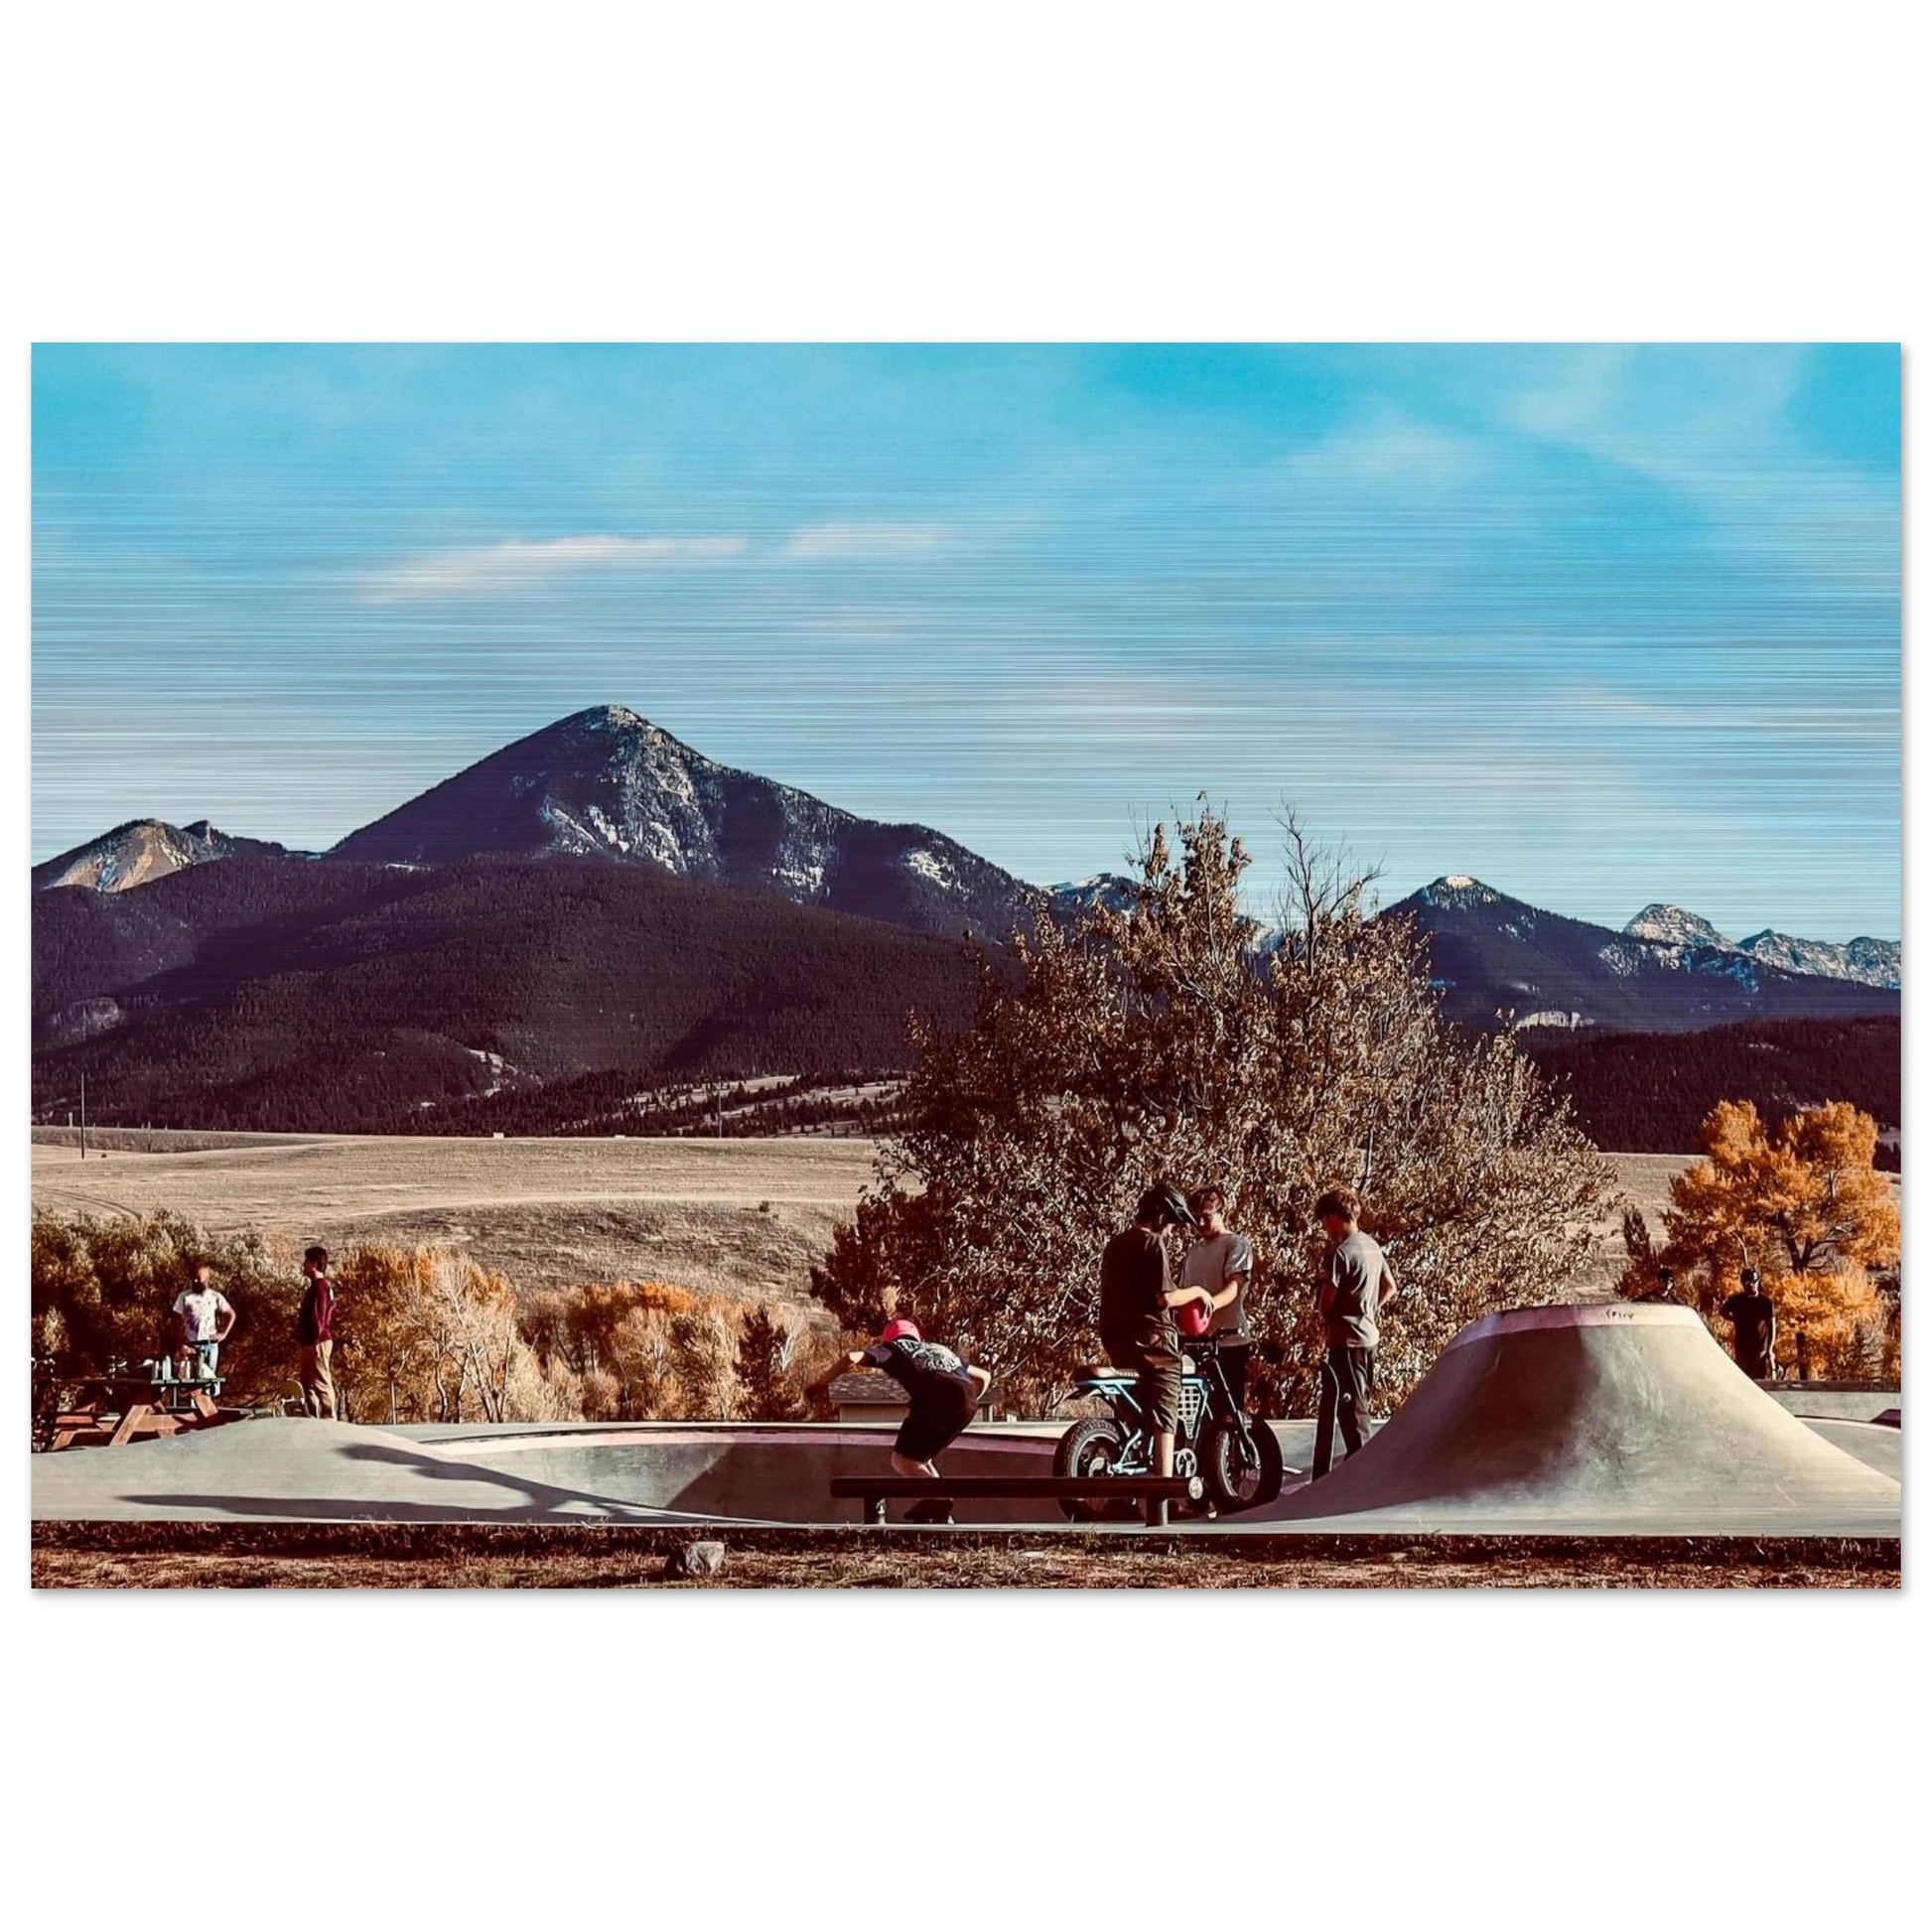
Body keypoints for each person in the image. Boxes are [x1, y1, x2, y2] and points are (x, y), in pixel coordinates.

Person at [1098, 1182, 1215, 1480]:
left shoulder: (1114, 1245)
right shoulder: (1152, 1243)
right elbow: (1164, 1298)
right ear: (1161, 1218)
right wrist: (1198, 1292)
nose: (1171, 1233)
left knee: (1138, 1410)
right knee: (1166, 1413)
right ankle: (1162, 1493)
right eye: (1172, 1226)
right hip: (1153, 1343)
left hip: (1117, 1341)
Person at [844, 1317, 992, 1521]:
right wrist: (963, 1403)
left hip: (934, 1397)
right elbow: (984, 1376)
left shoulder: (892, 1349)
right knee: (921, 1460)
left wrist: (819, 1384)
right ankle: (941, 1513)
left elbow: (852, 1356)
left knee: (902, 1459)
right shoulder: (938, 1349)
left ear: (888, 1339)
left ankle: (939, 1499)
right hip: (967, 1401)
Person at [1309, 1186, 1397, 1480]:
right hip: (1368, 1336)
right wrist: (1370, 1307)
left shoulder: (1341, 1253)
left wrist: (1328, 1313)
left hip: (1346, 1340)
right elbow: (1390, 1286)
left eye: (1325, 1220)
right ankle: (1358, 1466)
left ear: (1335, 1217)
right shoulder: (1372, 1246)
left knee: (1351, 1408)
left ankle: (1362, 1472)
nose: (1324, 1226)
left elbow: (1327, 1302)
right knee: (1361, 1399)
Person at [1181, 1183, 1256, 1408]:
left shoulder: (1236, 1244)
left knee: (1228, 1412)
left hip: (1229, 1341)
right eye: (1196, 1218)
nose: (1201, 1223)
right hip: (1198, 1343)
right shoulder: (1193, 1251)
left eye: (1206, 1216)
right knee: (1201, 1410)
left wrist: (1209, 1303)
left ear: (1222, 1212)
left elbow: (1234, 1287)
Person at [171, 1262, 236, 1382]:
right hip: (192, 1346)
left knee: (208, 1382)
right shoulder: (185, 1297)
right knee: (188, 1380)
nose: (195, 1281)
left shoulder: (215, 1297)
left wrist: (224, 1334)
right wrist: (179, 1342)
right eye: (193, 1278)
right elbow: (175, 1319)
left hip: (210, 1345)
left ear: (207, 1280)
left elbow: (231, 1314)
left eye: (198, 1279)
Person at [297, 1246, 338, 1420]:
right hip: (310, 1341)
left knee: (321, 1380)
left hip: (317, 1341)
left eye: (306, 1261)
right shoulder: (318, 1287)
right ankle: (312, 1417)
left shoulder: (320, 1288)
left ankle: (329, 1417)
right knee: (307, 1382)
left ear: (313, 1263)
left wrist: (314, 1339)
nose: (303, 1264)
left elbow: (319, 1316)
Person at [1720, 1269, 1777, 1380]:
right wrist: (1734, 1319)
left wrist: (1770, 1349)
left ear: (1758, 1281)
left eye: (1753, 1282)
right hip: (1742, 1347)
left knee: (1758, 1381)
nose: (1750, 1285)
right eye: (1746, 1283)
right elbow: (1722, 1312)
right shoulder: (1736, 1300)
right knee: (1742, 1381)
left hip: (1760, 1349)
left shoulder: (1766, 1302)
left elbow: (1772, 1326)